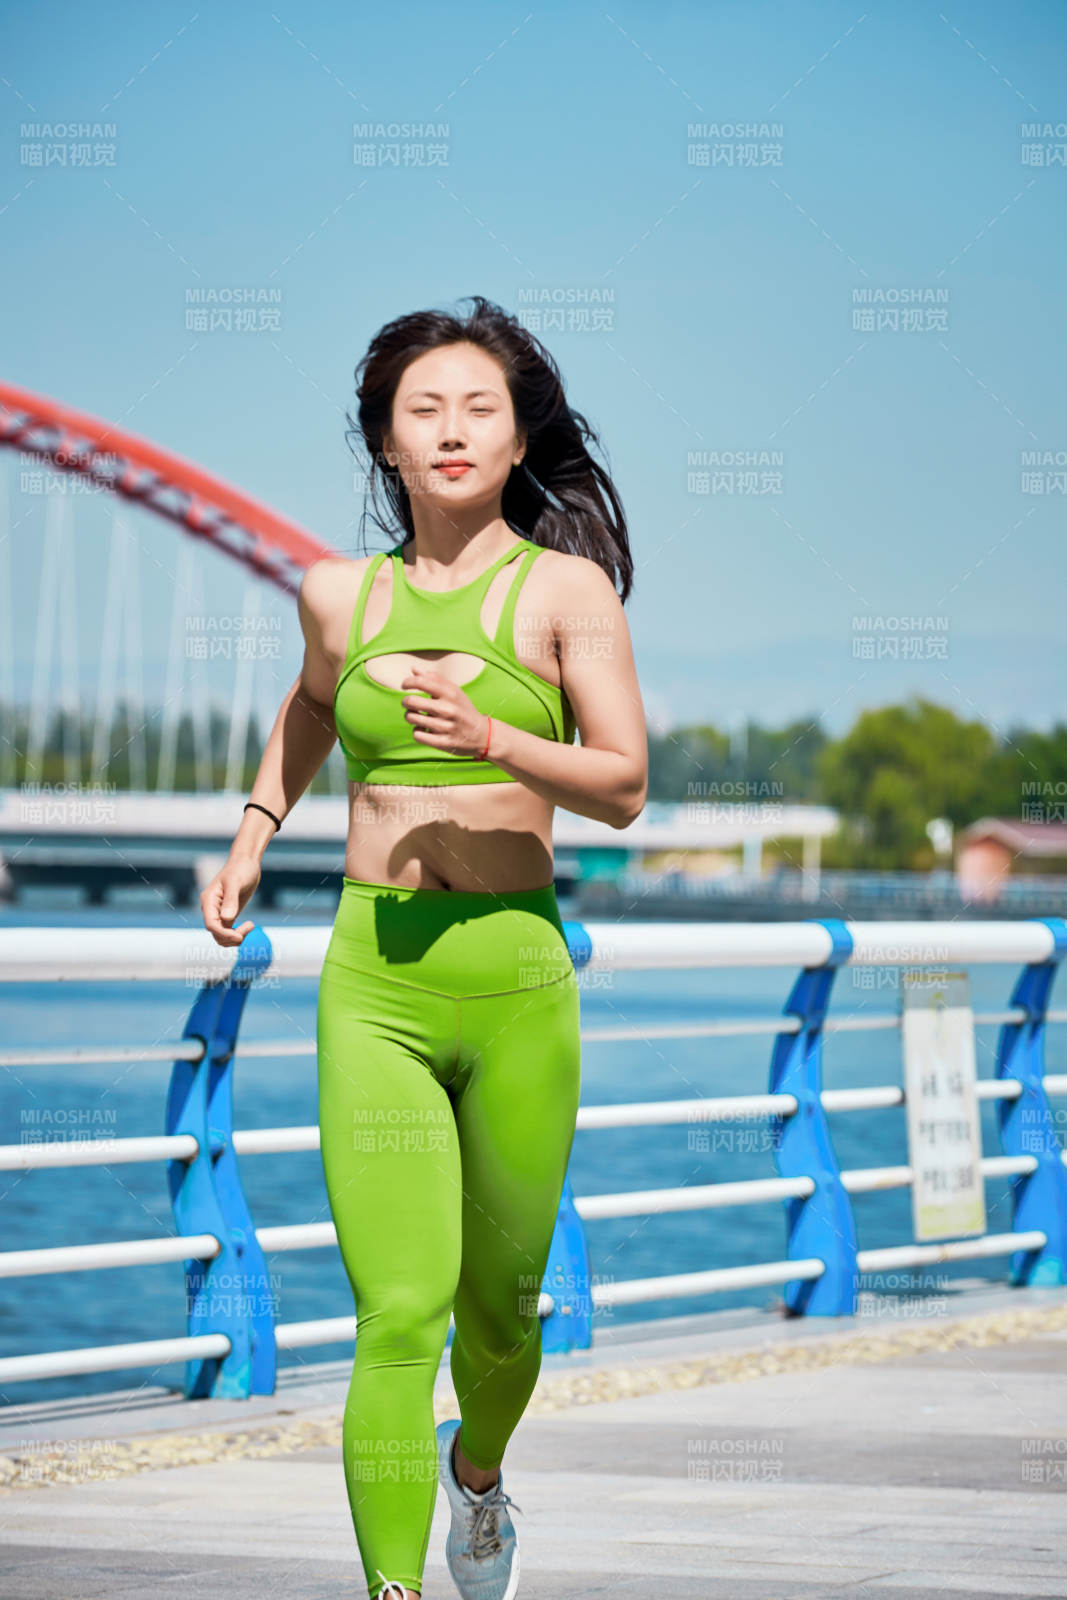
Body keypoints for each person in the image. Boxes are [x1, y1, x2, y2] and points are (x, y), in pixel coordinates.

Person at [201, 294, 647, 1600]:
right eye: (422, 411)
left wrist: (498, 740)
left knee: (502, 1312)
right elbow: (308, 706)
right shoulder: (339, 593)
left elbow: (623, 785)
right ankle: (392, 1587)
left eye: (480, 409)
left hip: (515, 980)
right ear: (384, 443)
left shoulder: (566, 591)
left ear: (518, 440)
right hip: (375, 984)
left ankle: (481, 1474)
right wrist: (253, 825)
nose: (451, 431)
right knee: (397, 1314)